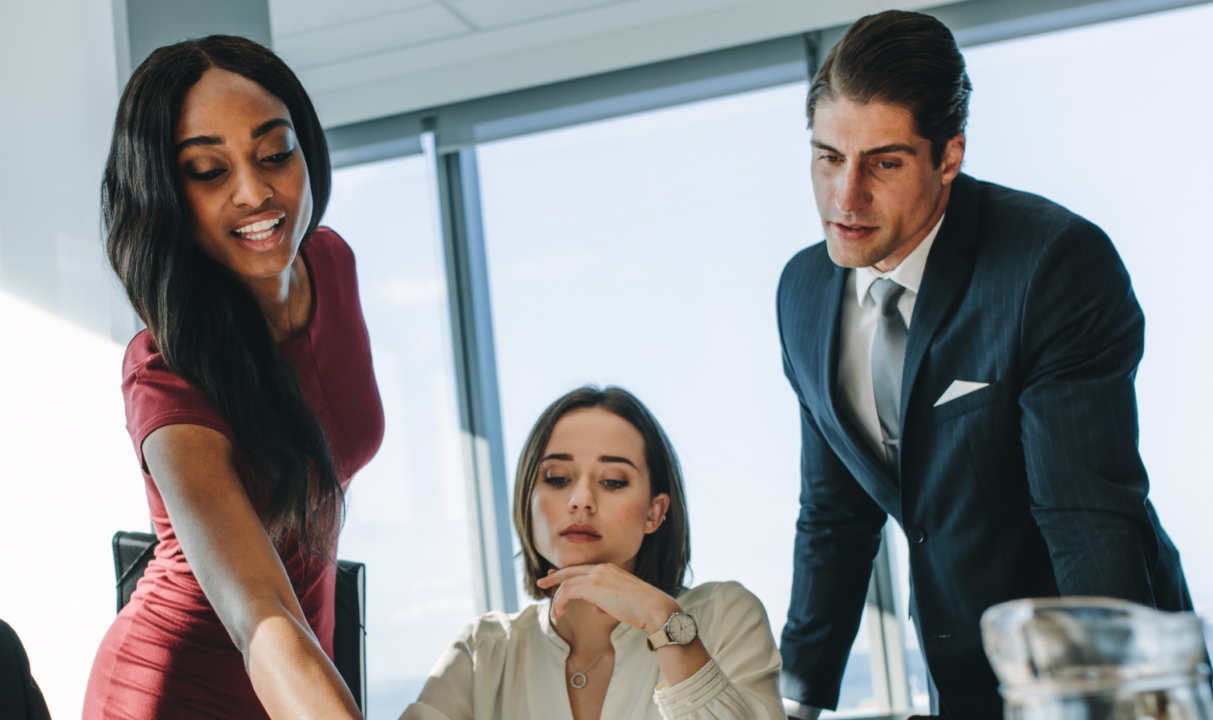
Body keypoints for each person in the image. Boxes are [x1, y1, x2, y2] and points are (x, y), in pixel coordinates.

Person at [775, 11, 1196, 719]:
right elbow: (834, 517)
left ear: (948, 156)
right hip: (958, 682)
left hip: (1089, 675)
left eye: (883, 162)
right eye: (828, 158)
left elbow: (1086, 518)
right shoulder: (804, 293)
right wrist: (796, 701)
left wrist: (1120, 703)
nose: (844, 199)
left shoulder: (1050, 264)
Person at [83, 36, 383, 720]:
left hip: (298, 671)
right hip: (175, 692)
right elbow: (262, 613)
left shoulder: (331, 265)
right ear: (166, 196)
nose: (255, 192)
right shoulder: (165, 373)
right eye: (209, 172)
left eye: (275, 154)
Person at [401, 386, 786, 720]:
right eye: (557, 478)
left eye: (613, 481)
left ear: (655, 512)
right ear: (527, 501)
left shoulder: (725, 615)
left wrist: (664, 621)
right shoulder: (482, 652)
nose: (581, 500)